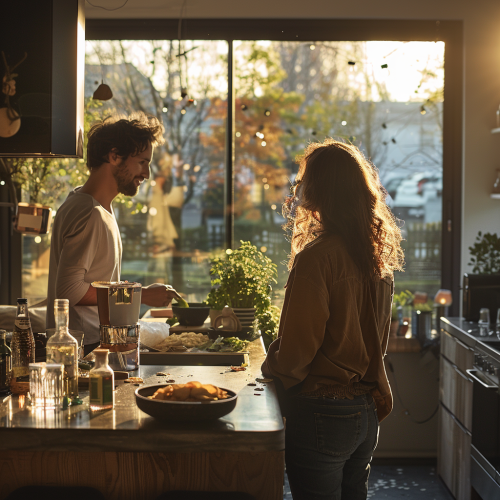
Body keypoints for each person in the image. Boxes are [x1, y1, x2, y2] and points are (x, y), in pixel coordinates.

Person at [261, 138, 404, 500]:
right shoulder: (377, 260)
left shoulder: (318, 258)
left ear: (323, 188)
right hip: (365, 412)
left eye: (304, 179)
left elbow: (297, 352)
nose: (299, 187)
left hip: (321, 412)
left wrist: (268, 370)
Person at [46, 113, 181, 354]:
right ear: (114, 156)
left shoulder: (90, 205)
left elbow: (93, 279)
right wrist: (141, 295)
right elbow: (70, 290)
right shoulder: (91, 212)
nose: (147, 174)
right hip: (87, 347)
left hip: (92, 342)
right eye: (142, 162)